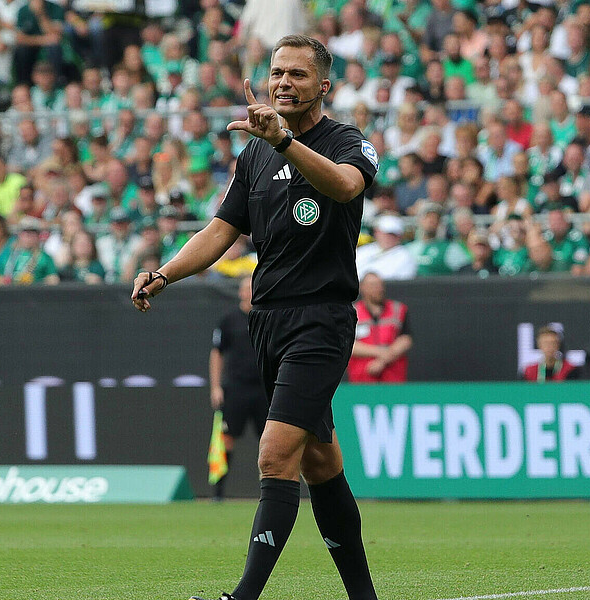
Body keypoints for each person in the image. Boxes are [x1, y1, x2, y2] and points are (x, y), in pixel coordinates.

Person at [130, 36, 379, 600]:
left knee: (273, 454)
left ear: (325, 85)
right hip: (267, 323)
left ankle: (241, 598)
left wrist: (286, 141)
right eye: (276, 72)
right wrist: (164, 274)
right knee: (318, 462)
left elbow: (343, 187)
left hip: (321, 321)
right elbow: (220, 231)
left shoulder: (347, 142)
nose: (283, 82)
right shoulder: (255, 154)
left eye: (297, 73)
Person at [209, 276, 269, 501]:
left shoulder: (267, 317)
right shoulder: (229, 320)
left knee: (269, 439)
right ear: (240, 293)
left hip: (263, 387)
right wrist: (216, 386)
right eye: (246, 289)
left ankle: (269, 489)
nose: (250, 293)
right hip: (235, 388)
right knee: (226, 438)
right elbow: (216, 353)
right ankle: (218, 492)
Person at [347, 272, 413, 383]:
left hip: (393, 378)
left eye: (380, 285)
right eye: (373, 285)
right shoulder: (352, 312)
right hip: (361, 379)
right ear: (363, 288)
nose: (378, 289)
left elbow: (405, 340)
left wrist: (383, 360)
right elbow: (349, 344)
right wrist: (379, 352)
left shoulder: (398, 309)